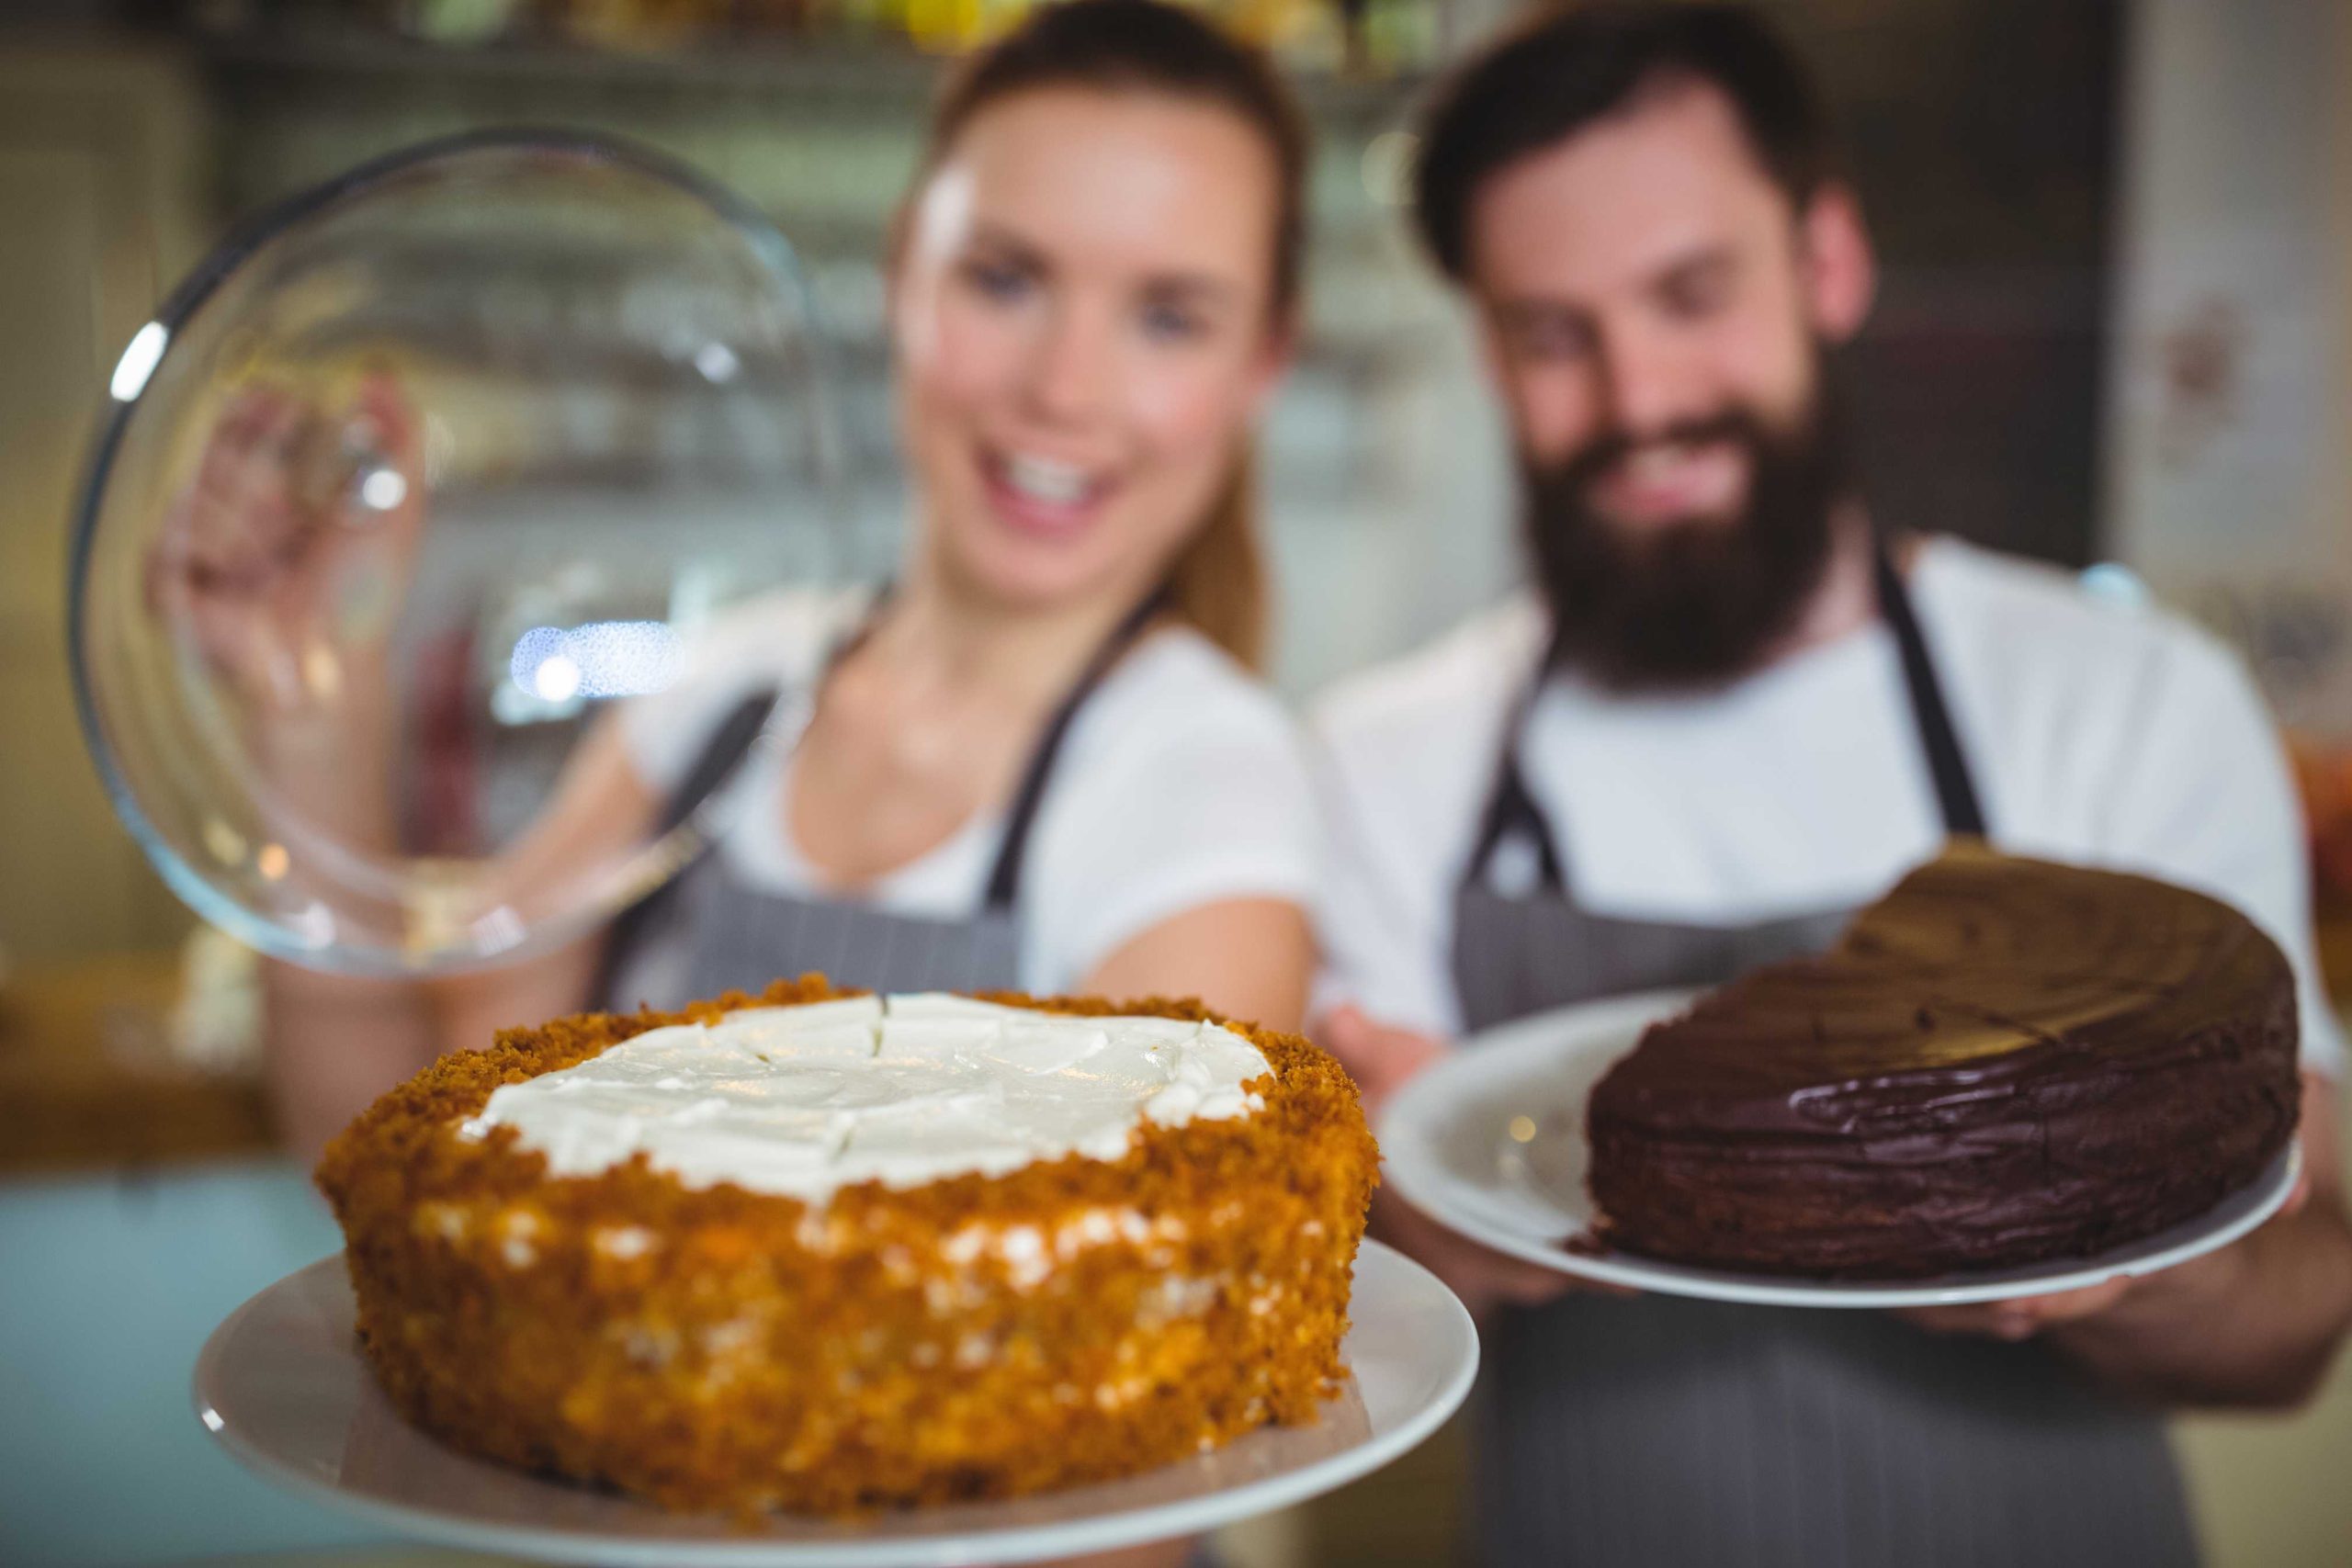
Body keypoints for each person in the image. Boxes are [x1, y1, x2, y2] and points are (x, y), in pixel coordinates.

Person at [1310, 6, 2352, 1565]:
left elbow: (2294, 1330)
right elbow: (1344, 1348)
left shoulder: (2126, 699)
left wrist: (2152, 1264)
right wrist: (1406, 1233)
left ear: (1830, 263)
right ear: (1490, 353)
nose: (1640, 394)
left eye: (1692, 292)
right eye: (1553, 331)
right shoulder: (1388, 759)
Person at [164, 0, 1317, 1179]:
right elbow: (400, 1152)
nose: (1065, 388)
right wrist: (312, 701)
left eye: (1169, 317)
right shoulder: (730, 684)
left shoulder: (1200, 782)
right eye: (1006, 278)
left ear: (1262, 364)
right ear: (904, 277)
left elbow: (1135, 1295)